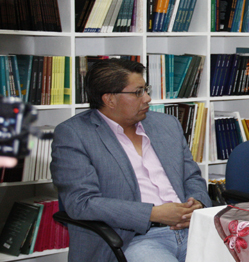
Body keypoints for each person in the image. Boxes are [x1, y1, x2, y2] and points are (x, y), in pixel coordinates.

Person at [50, 59, 210, 262]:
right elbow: (81, 203)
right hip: (133, 238)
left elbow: (192, 176)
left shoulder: (167, 124)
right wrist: (153, 214)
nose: (148, 98)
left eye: (146, 89)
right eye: (138, 92)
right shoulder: (74, 134)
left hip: (192, 230)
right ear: (109, 99)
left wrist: (197, 203)